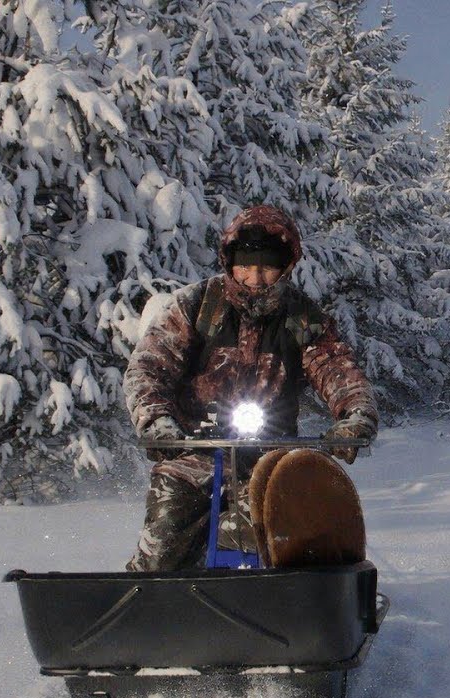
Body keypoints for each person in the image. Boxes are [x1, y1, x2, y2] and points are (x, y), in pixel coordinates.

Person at [123, 205, 377, 571]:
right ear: (229, 262)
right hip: (192, 453)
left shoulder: (302, 318)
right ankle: (143, 601)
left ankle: (293, 601)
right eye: (245, 265)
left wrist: (355, 414)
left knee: (273, 537)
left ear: (285, 266)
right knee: (164, 541)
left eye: (266, 266)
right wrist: (157, 421)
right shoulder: (196, 306)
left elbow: (338, 370)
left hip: (270, 458)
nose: (255, 277)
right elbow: (148, 367)